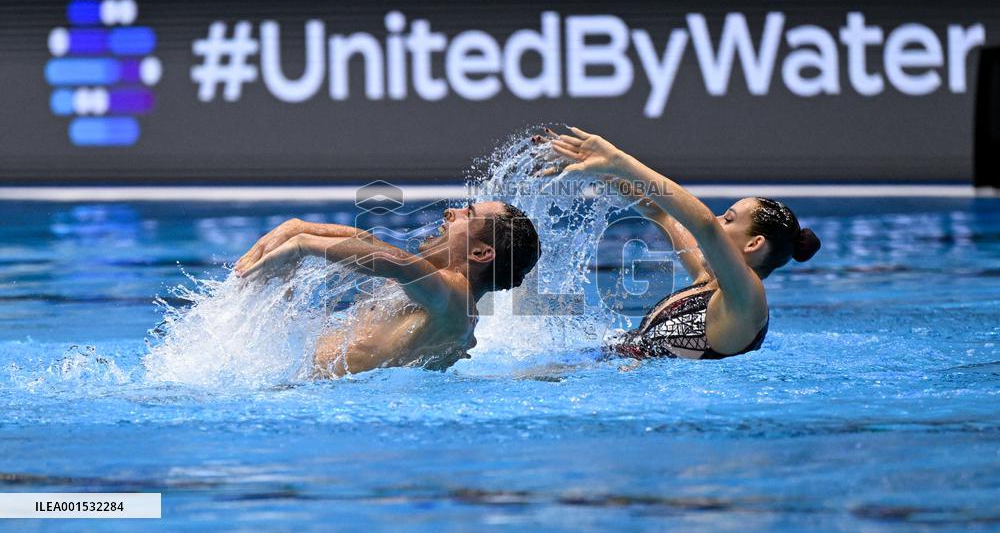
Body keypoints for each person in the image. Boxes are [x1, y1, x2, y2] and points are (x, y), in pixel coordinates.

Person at [536, 127, 820, 360]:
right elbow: (658, 212)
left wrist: (620, 160)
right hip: (608, 365)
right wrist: (600, 173)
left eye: (729, 219)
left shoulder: (746, 301)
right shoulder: (709, 281)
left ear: (754, 243)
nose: (720, 220)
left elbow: (705, 225)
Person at [234, 201, 541, 376]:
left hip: (320, 398)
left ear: (481, 253)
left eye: (468, 215)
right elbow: (365, 242)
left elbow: (397, 262)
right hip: (301, 381)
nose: (451, 212)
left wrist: (303, 245)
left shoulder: (458, 301)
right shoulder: (434, 285)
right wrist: (294, 227)